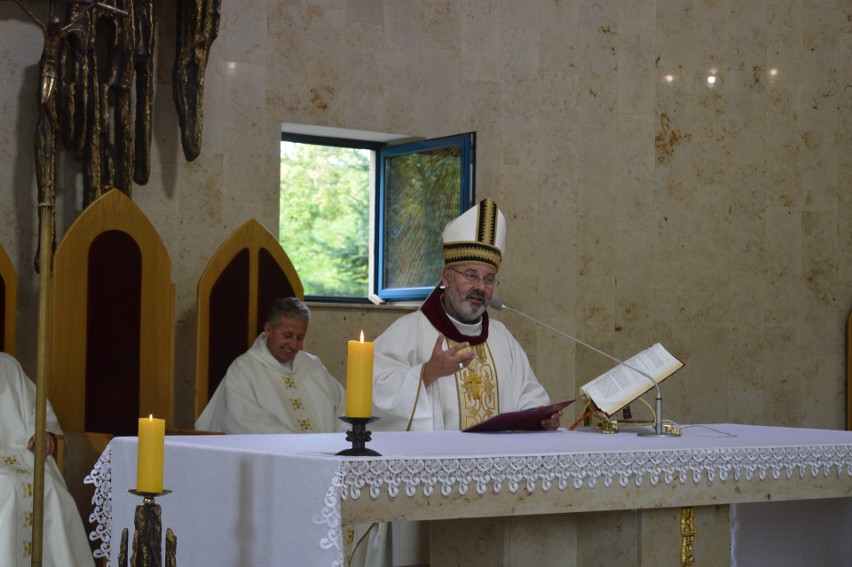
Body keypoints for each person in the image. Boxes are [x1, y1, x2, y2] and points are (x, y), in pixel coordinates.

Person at [371, 197, 562, 432]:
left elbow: (528, 394)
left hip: (496, 465)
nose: (480, 287)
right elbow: (374, 391)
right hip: (438, 465)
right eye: (471, 275)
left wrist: (540, 417)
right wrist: (427, 373)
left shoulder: (502, 338)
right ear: (447, 277)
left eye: (489, 279)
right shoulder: (409, 331)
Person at [195, 297, 345, 434]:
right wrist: (297, 445)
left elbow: (344, 409)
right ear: (268, 330)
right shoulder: (244, 369)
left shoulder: (313, 366)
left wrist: (338, 443)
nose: (293, 344)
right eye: (287, 336)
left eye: (300, 337)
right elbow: (243, 421)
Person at [0, 351, 95, 567]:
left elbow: (37, 409)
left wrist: (42, 430)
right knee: (6, 488)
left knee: (50, 487)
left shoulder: (7, 365)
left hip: (20, 454)